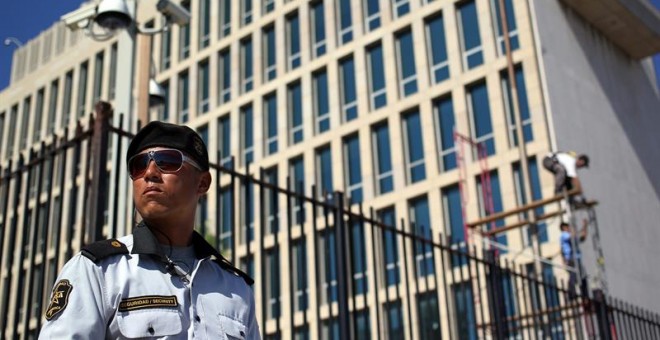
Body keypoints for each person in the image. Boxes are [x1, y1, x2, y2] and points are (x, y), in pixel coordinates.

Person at [40, 121, 260, 339]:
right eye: (139, 165)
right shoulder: (99, 270)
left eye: (167, 161)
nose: (150, 172)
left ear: (202, 183)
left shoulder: (236, 288)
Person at [560, 219, 589, 299]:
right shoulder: (564, 235)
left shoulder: (571, 236)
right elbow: (572, 236)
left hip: (577, 259)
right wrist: (573, 229)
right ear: (564, 228)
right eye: (567, 227)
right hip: (571, 259)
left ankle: (585, 296)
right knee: (573, 275)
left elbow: (582, 237)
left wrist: (585, 226)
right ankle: (571, 294)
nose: (568, 228)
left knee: (581, 277)